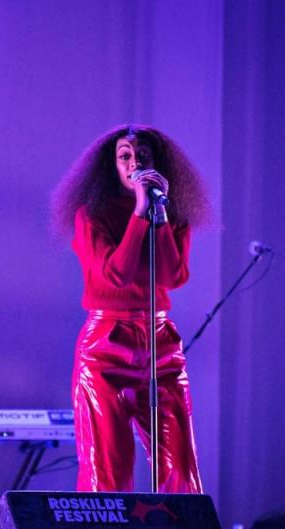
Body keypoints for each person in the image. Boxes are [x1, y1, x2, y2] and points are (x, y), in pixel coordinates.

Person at [51, 124, 210, 493]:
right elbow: (115, 274)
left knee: (180, 469)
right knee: (108, 470)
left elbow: (172, 276)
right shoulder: (91, 214)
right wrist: (140, 212)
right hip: (108, 344)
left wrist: (160, 214)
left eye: (142, 156)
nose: (134, 163)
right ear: (113, 165)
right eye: (125, 156)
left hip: (160, 342)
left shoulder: (172, 212)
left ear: (158, 163)